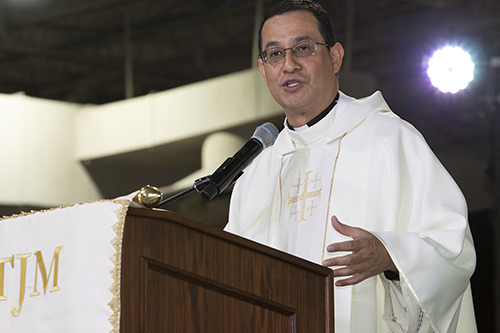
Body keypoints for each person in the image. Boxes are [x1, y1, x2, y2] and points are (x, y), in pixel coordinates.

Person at [224, 0, 477, 332]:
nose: (289, 65)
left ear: (334, 56)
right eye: (275, 54)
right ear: (263, 70)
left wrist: (389, 255)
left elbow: (452, 248)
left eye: (302, 48)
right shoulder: (257, 174)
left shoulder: (389, 139)